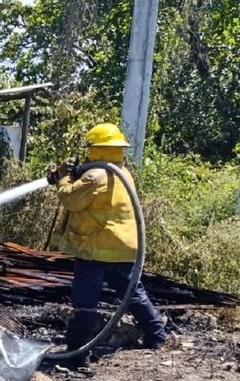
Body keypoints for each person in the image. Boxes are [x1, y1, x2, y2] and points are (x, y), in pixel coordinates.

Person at [46, 122, 167, 351]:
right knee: (133, 294)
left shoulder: (95, 176)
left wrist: (63, 177)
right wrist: (70, 173)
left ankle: (77, 350)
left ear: (96, 148)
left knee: (85, 303)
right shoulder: (122, 173)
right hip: (123, 248)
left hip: (95, 248)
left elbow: (71, 199)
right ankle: (157, 337)